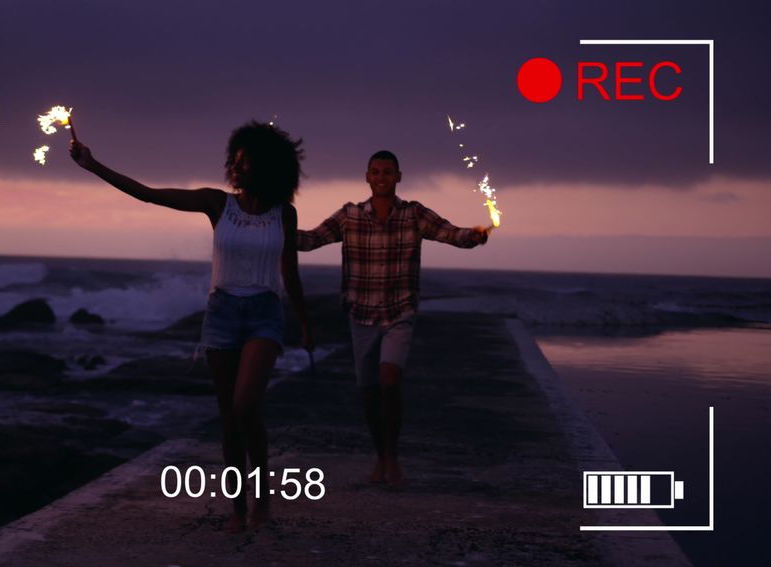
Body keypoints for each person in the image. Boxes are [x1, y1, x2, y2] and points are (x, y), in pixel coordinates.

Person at [70, 120, 313, 531]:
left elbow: (290, 272)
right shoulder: (217, 203)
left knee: (246, 405)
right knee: (229, 417)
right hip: (221, 314)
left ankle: (262, 497)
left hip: (264, 314)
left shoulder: (284, 214)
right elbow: (148, 194)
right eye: (235, 160)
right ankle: (238, 509)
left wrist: (305, 323)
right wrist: (93, 165)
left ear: (267, 166)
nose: (236, 167)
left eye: (245, 161)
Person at [297, 150, 490, 488]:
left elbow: (449, 233)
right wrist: (276, 227)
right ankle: (380, 457)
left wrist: (472, 236)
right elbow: (311, 240)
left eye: (388, 172)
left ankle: (392, 459)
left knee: (389, 381)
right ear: (367, 177)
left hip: (399, 311)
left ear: (398, 176)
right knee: (369, 392)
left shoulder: (414, 214)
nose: (381, 177)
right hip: (360, 313)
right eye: (375, 172)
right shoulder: (349, 215)